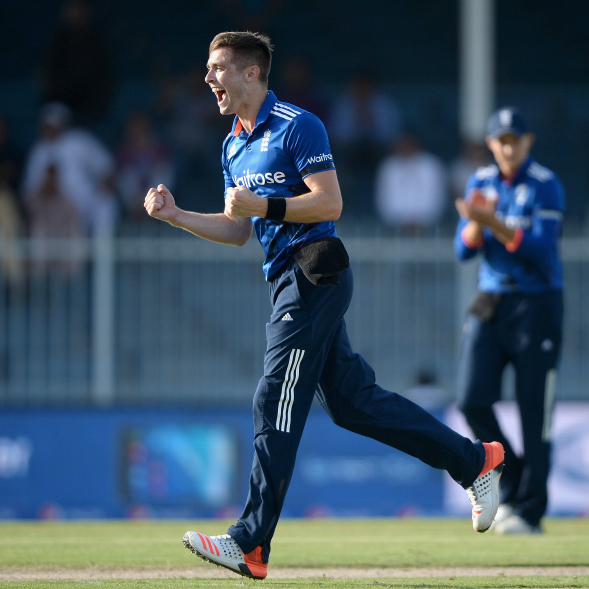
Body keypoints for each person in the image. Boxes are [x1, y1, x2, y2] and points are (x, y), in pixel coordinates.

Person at [144, 31, 504, 580]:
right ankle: (475, 461)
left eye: (218, 68)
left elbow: (329, 201)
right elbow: (240, 229)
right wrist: (177, 216)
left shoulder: (297, 124)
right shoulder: (231, 144)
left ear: (250, 73)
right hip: (285, 278)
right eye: (209, 69)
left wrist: (263, 202)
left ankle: (250, 542)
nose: (209, 79)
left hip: (315, 270)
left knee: (274, 396)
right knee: (353, 403)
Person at [454, 107, 565, 535]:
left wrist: (492, 222)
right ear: (490, 144)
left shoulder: (544, 184)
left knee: (534, 409)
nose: (507, 147)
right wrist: (477, 227)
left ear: (528, 141)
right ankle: (513, 477)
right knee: (470, 399)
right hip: (491, 299)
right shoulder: (481, 181)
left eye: (514, 139)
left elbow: (541, 248)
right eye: (500, 140)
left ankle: (531, 512)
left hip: (537, 304)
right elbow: (463, 250)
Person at [22, 102, 118, 237]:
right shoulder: (39, 150)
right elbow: (30, 188)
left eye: (54, 125)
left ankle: (103, 255)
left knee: (106, 205)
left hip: (87, 202)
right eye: (47, 126)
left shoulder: (78, 140)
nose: (50, 129)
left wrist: (104, 184)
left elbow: (105, 164)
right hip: (56, 207)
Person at [375, 131, 448, 234]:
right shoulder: (388, 167)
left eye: (409, 144)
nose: (406, 147)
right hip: (395, 228)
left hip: (428, 227)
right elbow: (383, 201)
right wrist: (402, 221)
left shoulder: (431, 165)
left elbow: (438, 200)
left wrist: (422, 221)